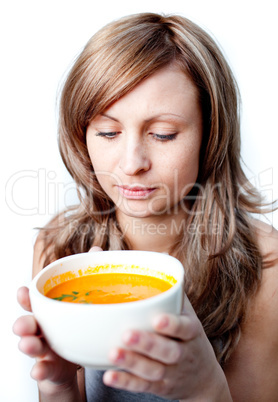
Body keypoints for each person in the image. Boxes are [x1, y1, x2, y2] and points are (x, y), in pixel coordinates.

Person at [13, 12, 278, 402]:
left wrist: (206, 388)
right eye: (108, 132)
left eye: (163, 134)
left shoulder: (265, 263)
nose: (132, 163)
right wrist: (58, 385)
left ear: (210, 133)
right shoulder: (62, 249)